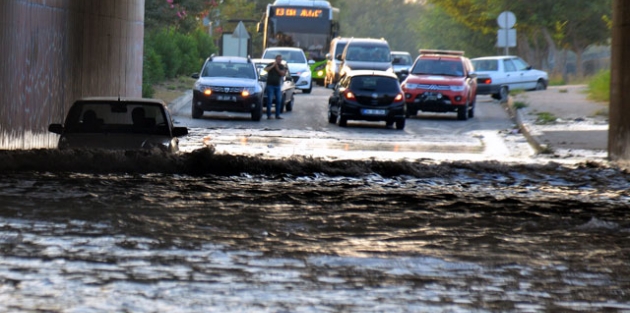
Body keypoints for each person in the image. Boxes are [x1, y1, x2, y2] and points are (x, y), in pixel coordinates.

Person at [264, 54, 287, 119]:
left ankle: (277, 115)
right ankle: (269, 115)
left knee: (278, 100)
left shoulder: (282, 66)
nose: (279, 61)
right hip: (270, 85)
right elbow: (265, 69)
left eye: (280, 59)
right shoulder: (271, 64)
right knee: (270, 100)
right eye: (278, 59)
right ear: (276, 59)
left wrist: (277, 68)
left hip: (277, 85)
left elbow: (282, 73)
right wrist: (273, 66)